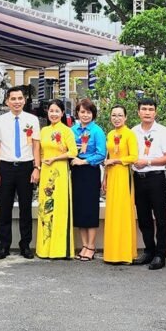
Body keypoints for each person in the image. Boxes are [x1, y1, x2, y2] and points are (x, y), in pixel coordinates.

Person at [0, 86, 41, 259]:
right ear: (7, 101)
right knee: (5, 208)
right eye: (13, 99)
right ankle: (4, 245)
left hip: (26, 167)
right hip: (6, 167)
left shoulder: (32, 120)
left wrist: (36, 168)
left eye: (20, 98)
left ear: (24, 100)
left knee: (26, 208)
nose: (17, 102)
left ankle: (25, 245)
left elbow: (36, 146)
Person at [131, 98, 166, 269]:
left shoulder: (163, 131)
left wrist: (148, 162)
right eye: (144, 109)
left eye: (150, 109)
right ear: (138, 112)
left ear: (155, 112)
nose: (147, 112)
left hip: (156, 177)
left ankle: (160, 253)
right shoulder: (133, 131)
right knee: (143, 217)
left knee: (160, 217)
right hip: (138, 177)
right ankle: (149, 250)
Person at [36, 99, 77, 259]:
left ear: (62, 113)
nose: (53, 114)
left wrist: (55, 158)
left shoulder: (67, 131)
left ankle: (59, 249)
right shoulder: (44, 130)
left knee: (59, 208)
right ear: (47, 112)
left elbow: (73, 152)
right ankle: (45, 248)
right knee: (45, 208)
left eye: (57, 111)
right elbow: (40, 151)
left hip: (60, 171)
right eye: (51, 111)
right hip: (46, 171)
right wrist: (38, 166)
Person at [70, 98, 107, 261]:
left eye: (89, 112)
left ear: (93, 114)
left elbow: (101, 154)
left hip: (90, 171)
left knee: (90, 209)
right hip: (75, 172)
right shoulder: (73, 130)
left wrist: (83, 161)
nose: (85, 115)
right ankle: (84, 245)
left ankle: (91, 246)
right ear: (77, 113)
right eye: (82, 112)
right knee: (79, 209)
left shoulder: (97, 131)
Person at [102, 105, 139, 265]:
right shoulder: (110, 134)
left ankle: (125, 253)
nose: (116, 118)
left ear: (125, 117)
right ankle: (112, 253)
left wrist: (117, 161)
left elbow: (134, 157)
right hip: (112, 175)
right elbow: (107, 157)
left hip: (124, 174)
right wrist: (105, 178)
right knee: (112, 213)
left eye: (120, 115)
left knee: (123, 213)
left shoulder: (129, 134)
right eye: (114, 115)